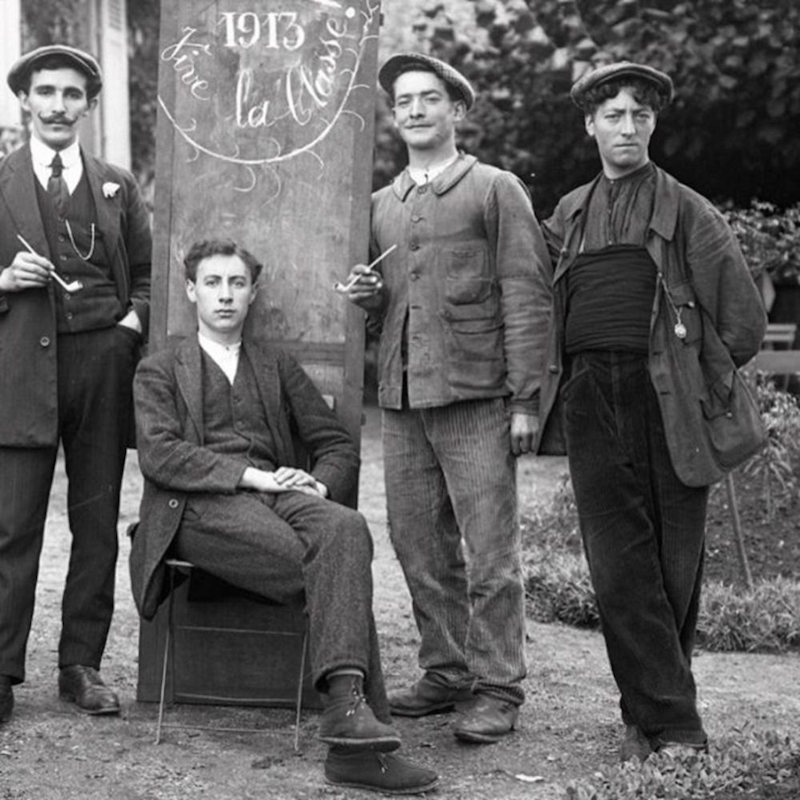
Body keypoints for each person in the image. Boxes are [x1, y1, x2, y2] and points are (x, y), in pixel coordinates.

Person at [129, 239, 438, 795]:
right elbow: (160, 456)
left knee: (345, 529)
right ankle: (356, 736)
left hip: (280, 497)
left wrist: (314, 483)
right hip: (195, 510)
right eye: (214, 283)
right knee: (329, 569)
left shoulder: (275, 365)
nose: (226, 295)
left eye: (237, 284)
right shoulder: (159, 370)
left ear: (252, 293)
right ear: (192, 291)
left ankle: (348, 722)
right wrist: (254, 477)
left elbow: (337, 444)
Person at [535, 62, 767, 760]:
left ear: (653, 124)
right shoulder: (569, 214)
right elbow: (534, 297)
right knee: (614, 564)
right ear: (590, 124)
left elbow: (744, 325)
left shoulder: (689, 211)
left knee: (673, 562)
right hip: (586, 395)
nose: (626, 127)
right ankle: (677, 724)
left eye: (639, 114)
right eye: (613, 115)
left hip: (670, 397)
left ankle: (652, 714)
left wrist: (690, 373)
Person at [341, 53, 552, 744]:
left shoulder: (494, 190)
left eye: (430, 98)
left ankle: (499, 687)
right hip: (401, 402)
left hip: (477, 398)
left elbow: (526, 294)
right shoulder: (380, 205)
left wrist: (526, 401)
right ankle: (447, 669)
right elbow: (392, 312)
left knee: (491, 554)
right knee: (417, 545)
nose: (415, 110)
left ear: (457, 111)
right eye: (403, 101)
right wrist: (370, 304)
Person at [0, 44, 151, 724]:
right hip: (18, 373)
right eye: (45, 92)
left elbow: (146, 275)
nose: (58, 105)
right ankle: (2, 671)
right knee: (11, 526)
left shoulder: (118, 184)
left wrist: (128, 327)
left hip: (101, 367)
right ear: (25, 101)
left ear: (88, 105)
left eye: (71, 94)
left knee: (96, 524)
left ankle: (80, 666)